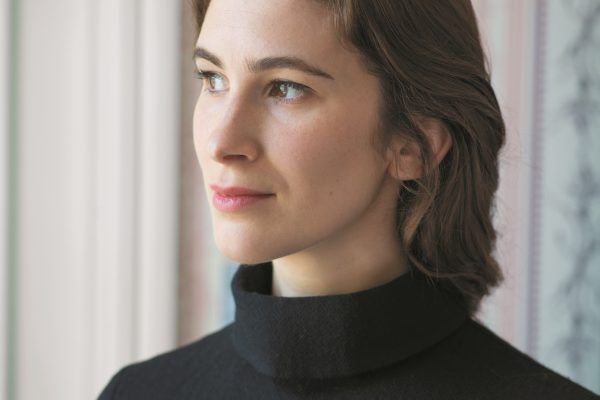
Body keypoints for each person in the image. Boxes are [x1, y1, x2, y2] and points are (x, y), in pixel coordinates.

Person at [98, 0, 599, 398]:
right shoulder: (139, 392)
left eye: (285, 89)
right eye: (213, 79)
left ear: (414, 144)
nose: (221, 142)